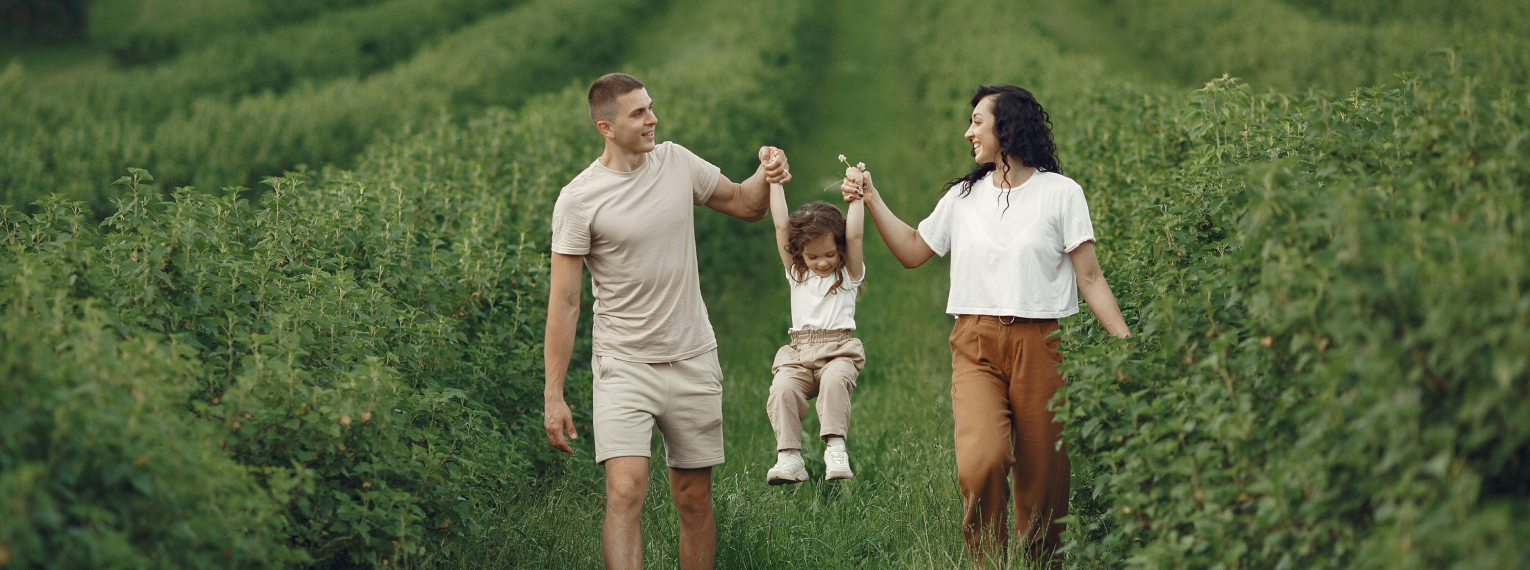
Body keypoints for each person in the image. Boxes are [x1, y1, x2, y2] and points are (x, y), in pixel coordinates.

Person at [842, 84, 1130, 565]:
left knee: (1044, 484)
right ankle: (990, 561)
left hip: (1042, 342)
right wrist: (871, 198)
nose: (968, 131)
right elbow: (915, 250)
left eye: (978, 121)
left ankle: (1039, 563)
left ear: (1008, 126)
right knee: (982, 463)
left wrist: (1124, 341)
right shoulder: (963, 196)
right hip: (975, 342)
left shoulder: (1062, 194)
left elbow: (1091, 277)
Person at [542, 72, 791, 570]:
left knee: (693, 496)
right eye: (638, 113)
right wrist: (554, 394)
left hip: (692, 354)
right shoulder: (578, 199)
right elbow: (565, 302)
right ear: (606, 127)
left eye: (651, 107)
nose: (653, 118)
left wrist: (768, 171)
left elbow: (745, 204)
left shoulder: (677, 162)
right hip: (623, 364)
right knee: (625, 490)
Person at [762, 177, 866, 485]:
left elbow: (857, 235)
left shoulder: (848, 274)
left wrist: (856, 196)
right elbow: (781, 227)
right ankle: (789, 456)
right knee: (782, 388)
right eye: (813, 256)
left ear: (840, 249)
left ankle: (836, 449)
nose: (822, 262)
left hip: (838, 350)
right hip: (799, 351)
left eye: (829, 254)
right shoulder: (798, 275)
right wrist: (774, 182)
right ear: (800, 255)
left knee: (835, 381)